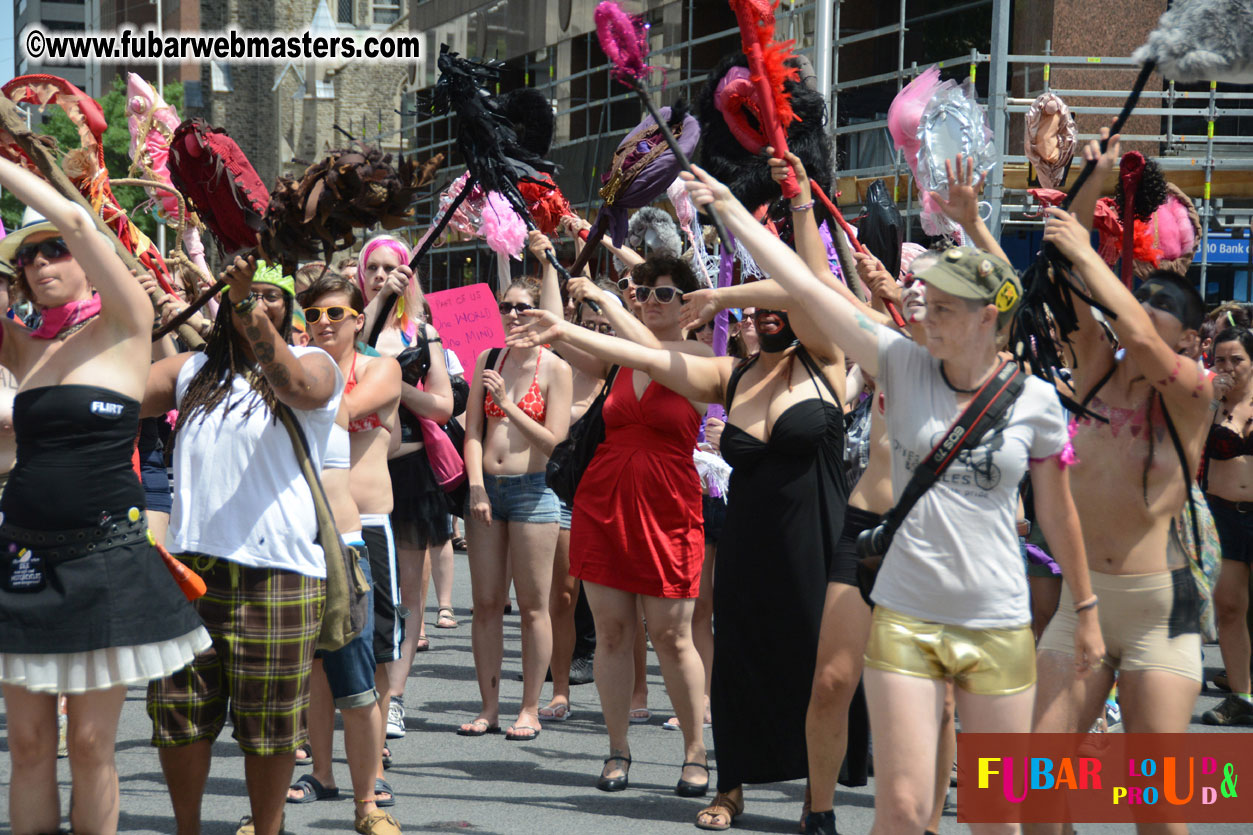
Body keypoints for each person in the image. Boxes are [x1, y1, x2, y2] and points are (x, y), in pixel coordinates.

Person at [680, 161, 1103, 835]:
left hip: (993, 619)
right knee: (900, 811)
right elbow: (806, 287)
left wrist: (1083, 610)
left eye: (941, 308)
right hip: (906, 615)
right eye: (923, 303)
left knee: (995, 815)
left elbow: (1056, 510)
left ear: (984, 317)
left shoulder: (1033, 403)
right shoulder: (898, 365)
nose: (922, 315)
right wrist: (731, 209)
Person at [0, 161, 210, 835]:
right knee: (29, 745)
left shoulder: (126, 325)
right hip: (23, 561)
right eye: (28, 256)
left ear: (92, 263)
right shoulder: (21, 345)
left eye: (52, 250)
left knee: (90, 743)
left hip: (106, 559)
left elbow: (79, 218)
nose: (40, 262)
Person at [1029, 135, 1215, 835]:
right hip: (1084, 607)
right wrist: (1094, 178)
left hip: (1158, 614)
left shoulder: (1192, 393)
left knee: (1158, 810)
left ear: (1187, 345)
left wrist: (1084, 249)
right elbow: (1061, 268)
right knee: (1033, 791)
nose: (1134, 346)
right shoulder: (1094, 366)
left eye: (1158, 339)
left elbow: (1135, 330)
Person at [144, 257, 342, 835]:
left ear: (290, 308)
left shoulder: (314, 362)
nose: (255, 303)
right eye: (243, 294)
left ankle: (268, 827)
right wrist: (126, 308)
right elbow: (112, 397)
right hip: (188, 571)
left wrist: (240, 301)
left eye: (269, 296)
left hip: (278, 572)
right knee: (177, 714)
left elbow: (296, 389)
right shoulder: (191, 370)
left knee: (269, 725)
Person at [508, 250, 714, 797]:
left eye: (663, 294)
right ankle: (617, 748)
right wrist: (553, 273)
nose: (650, 302)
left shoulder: (699, 355)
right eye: (643, 294)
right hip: (605, 501)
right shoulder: (618, 358)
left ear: (688, 305)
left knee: (671, 636)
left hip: (667, 504)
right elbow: (560, 335)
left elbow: (649, 353)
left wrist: (603, 299)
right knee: (614, 633)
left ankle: (696, 752)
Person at [293, 274, 405, 825]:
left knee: (374, 657)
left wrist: (382, 298)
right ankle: (322, 770)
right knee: (317, 661)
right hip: (309, 528)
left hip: (369, 526)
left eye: (337, 314)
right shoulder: (297, 364)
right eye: (314, 315)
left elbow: (333, 410)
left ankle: (373, 771)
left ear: (359, 319)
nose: (325, 324)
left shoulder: (383, 368)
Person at [460, 265, 572, 740]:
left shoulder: (556, 368)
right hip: (488, 489)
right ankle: (489, 706)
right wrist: (475, 486)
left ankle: (529, 706)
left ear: (540, 313)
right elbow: (470, 432)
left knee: (533, 606)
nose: (511, 315)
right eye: (505, 307)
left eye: (521, 307)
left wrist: (507, 405)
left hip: (534, 492)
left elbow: (555, 443)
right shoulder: (489, 357)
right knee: (485, 603)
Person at [355, 234, 455, 741]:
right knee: (358, 587)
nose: (380, 275)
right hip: (357, 472)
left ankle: (394, 696)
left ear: (408, 275)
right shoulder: (344, 324)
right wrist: (371, 308)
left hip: (412, 475)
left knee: (406, 594)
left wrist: (396, 385)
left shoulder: (423, 333)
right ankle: (357, 691)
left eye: (391, 267)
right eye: (372, 267)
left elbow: (443, 406)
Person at [1202, 326, 1253, 725]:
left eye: (1237, 359)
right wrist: (1209, 403)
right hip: (1222, 514)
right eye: (1221, 359)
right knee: (1230, 608)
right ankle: (1241, 695)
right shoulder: (1208, 400)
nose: (1228, 367)